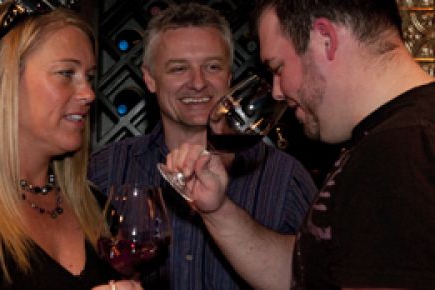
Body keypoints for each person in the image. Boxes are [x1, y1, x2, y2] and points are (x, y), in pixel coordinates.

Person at [161, 0, 435, 289]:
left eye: (278, 68)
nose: (278, 92)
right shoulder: (392, 138)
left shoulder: (401, 148)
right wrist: (216, 211)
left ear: (325, 39)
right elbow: (307, 272)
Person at [88, 3, 317, 290]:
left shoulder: (286, 179)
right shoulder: (104, 170)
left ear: (229, 77)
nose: (198, 83)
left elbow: (318, 278)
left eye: (212, 67)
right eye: (179, 68)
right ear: (149, 78)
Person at [0, 1, 142, 290]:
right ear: (3, 82)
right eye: (67, 73)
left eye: (89, 77)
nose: (89, 93)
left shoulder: (94, 205)